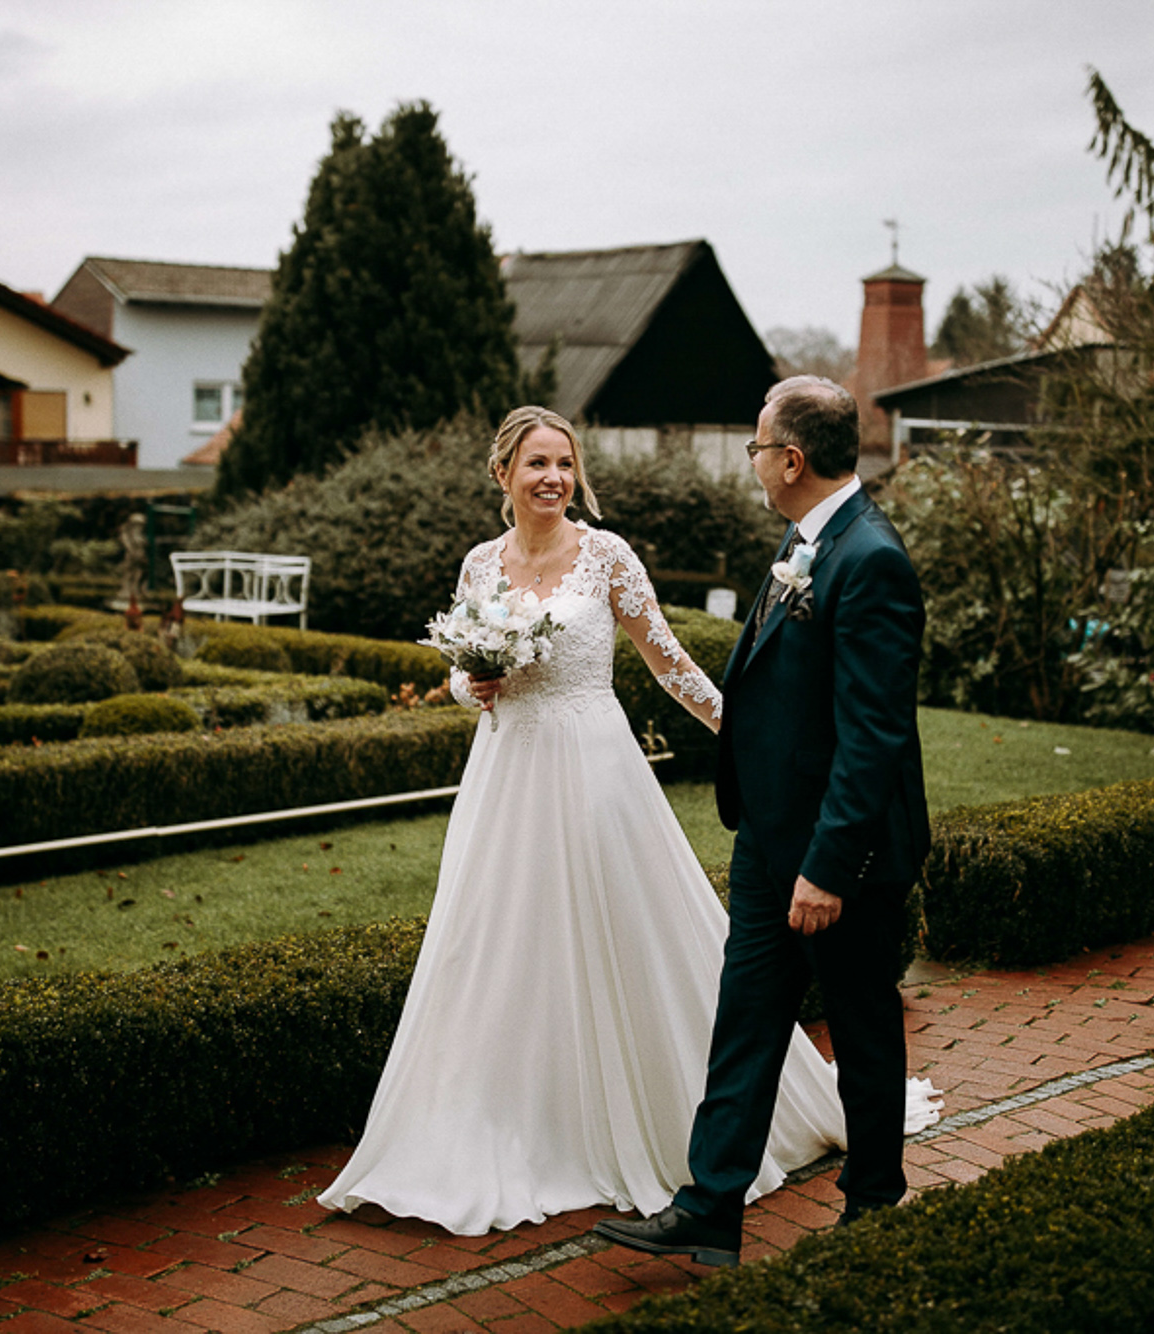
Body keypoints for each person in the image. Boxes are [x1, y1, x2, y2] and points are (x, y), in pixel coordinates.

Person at [316, 406, 934, 1236]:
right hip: (506, 780)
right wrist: (477, 685)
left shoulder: (606, 557)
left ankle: (695, 1156)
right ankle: (515, 1129)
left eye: (565, 464)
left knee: (634, 941)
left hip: (597, 774)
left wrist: (740, 741)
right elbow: (463, 677)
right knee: (498, 947)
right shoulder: (477, 566)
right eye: (537, 464)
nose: (554, 479)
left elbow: (671, 663)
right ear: (503, 474)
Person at [595, 376, 932, 1268]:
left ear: (790, 458)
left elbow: (874, 738)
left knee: (861, 1027)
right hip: (770, 842)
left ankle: (874, 1205)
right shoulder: (805, 539)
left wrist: (828, 867)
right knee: (744, 1021)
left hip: (840, 857)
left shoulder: (870, 559)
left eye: (755, 446)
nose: (751, 460)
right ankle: (710, 1207)